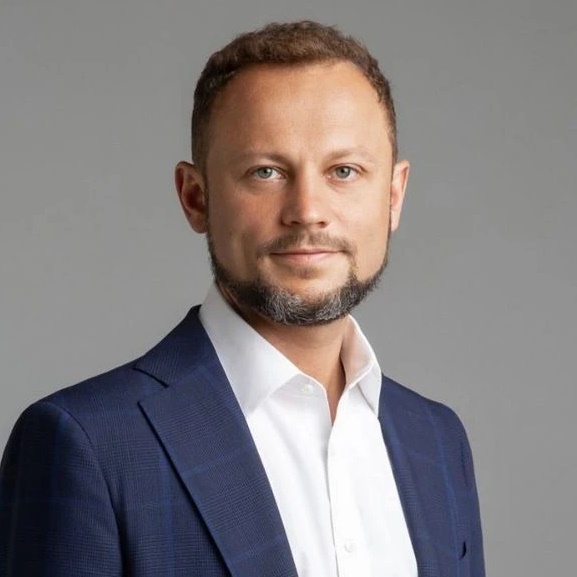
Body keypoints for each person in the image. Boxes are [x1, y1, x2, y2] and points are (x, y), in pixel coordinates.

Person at [0, 21, 484, 577]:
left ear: (393, 196)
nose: (308, 211)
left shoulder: (438, 442)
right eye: (266, 172)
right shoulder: (89, 444)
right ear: (195, 197)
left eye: (344, 171)